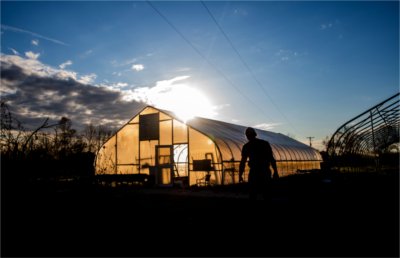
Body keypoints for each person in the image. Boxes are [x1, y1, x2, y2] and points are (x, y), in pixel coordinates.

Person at [239, 127, 279, 200]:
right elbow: (271, 159)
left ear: (247, 136)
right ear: (255, 134)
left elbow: (243, 162)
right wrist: (275, 172)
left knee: (253, 193)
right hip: (265, 171)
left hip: (254, 172)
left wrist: (240, 175)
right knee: (266, 193)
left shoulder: (247, 146)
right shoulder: (264, 143)